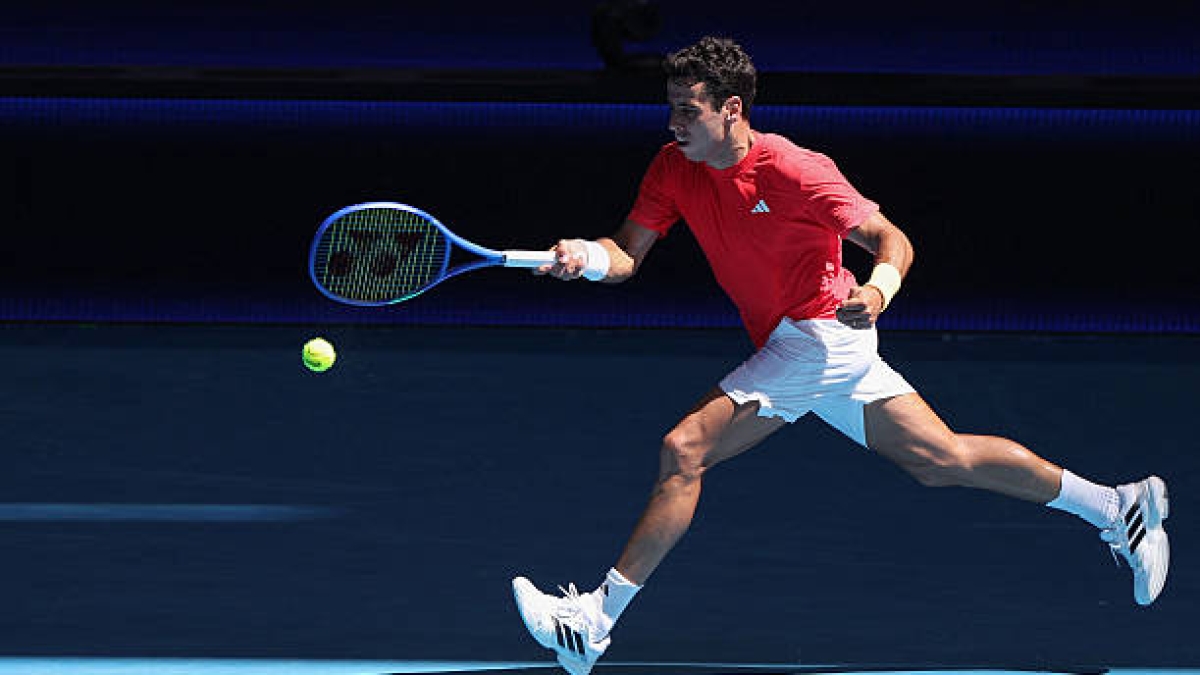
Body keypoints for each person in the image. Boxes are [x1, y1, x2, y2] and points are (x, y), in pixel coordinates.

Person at [510, 36, 1170, 675]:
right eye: (671, 106)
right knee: (942, 459)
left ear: (731, 110)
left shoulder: (795, 171)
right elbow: (628, 253)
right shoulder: (671, 167)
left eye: (690, 109)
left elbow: (892, 239)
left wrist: (879, 290)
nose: (675, 121)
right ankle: (1117, 507)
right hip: (799, 343)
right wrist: (586, 257)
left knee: (685, 450)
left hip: (822, 334)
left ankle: (593, 619)